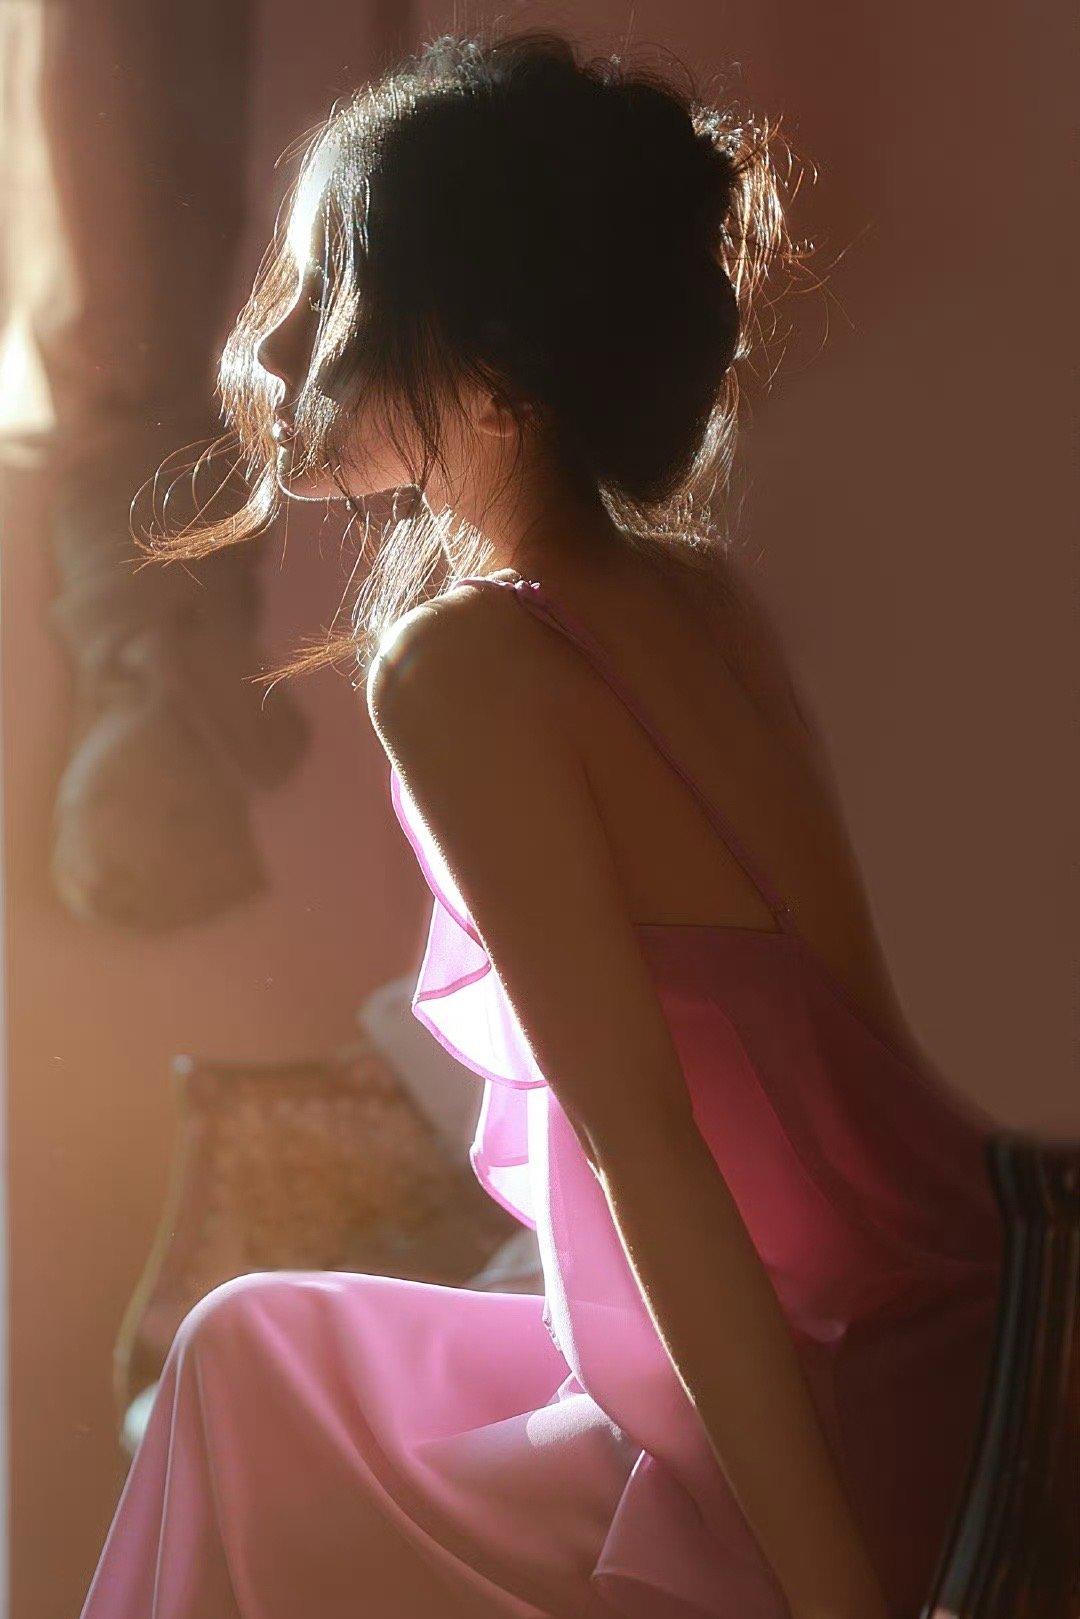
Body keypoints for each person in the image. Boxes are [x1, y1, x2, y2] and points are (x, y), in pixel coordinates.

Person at [79, 27, 1004, 1619]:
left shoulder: (465, 663)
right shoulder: (705, 597)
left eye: (332, 293)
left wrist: (839, 1596)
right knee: (248, 1346)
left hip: (825, 1407)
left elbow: (653, 1153)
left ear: (495, 361)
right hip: (936, 1324)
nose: (280, 346)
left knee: (252, 1404)